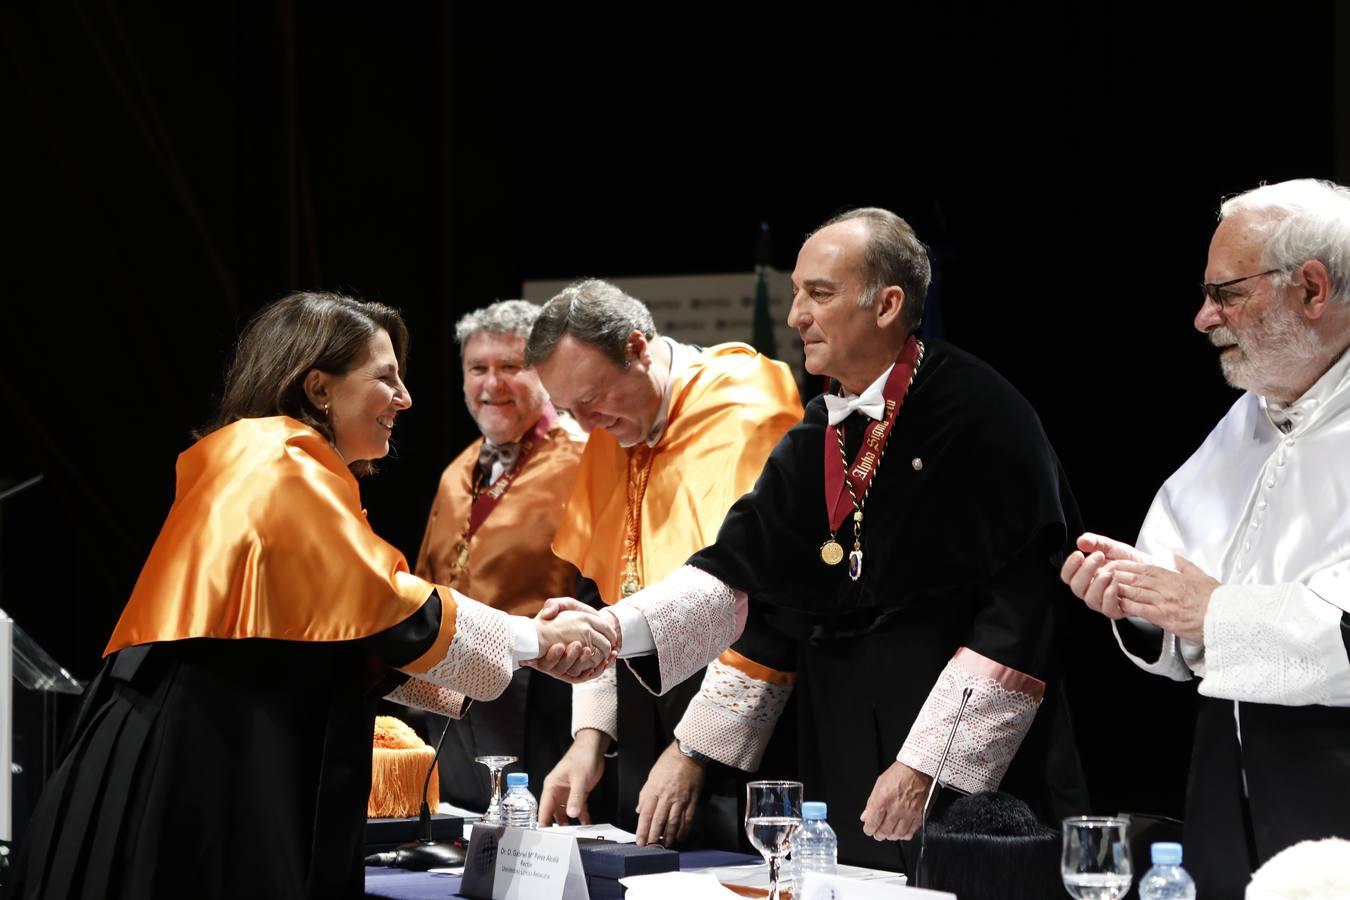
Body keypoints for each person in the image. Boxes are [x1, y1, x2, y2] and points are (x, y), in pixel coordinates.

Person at [12, 291, 616, 899]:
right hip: (198, 753)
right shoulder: (279, 460)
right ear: (319, 388)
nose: (405, 399)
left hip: (211, 731)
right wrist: (533, 637)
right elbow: (381, 603)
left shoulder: (266, 454)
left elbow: (332, 627)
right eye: (386, 379)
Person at [544, 208, 1088, 872]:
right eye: (797, 292)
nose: (798, 314)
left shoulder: (983, 412)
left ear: (888, 304)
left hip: (952, 754)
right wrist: (610, 629)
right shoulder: (818, 428)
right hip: (839, 739)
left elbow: (1022, 605)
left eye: (819, 294)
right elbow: (738, 569)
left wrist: (926, 765)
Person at [1061, 178, 1350, 896]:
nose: (1202, 318)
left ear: (1311, 289)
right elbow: (1186, 598)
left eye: (1227, 293)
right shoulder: (1252, 413)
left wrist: (1211, 612)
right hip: (1229, 769)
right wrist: (1138, 597)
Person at [524, 279, 803, 848]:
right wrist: (589, 738)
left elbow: (772, 599)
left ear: (637, 348)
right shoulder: (611, 425)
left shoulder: (748, 406)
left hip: (739, 728)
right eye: (568, 409)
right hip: (643, 717)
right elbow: (604, 590)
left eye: (592, 399)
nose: (583, 426)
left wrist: (694, 750)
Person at [413, 299, 585, 808]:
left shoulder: (584, 457)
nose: (492, 385)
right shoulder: (457, 469)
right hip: (452, 696)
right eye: (478, 369)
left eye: (511, 367)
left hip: (546, 695)